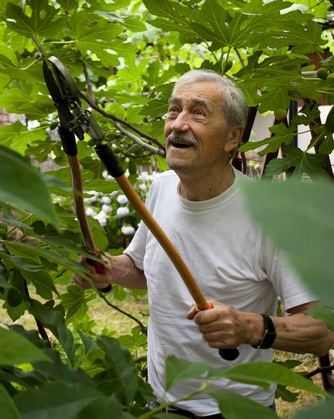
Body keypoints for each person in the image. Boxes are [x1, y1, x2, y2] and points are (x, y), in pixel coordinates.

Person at [74, 70, 334, 418]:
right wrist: (108, 268)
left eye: (198, 113)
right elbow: (141, 269)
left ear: (232, 137)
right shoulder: (161, 188)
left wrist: (249, 327)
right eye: (173, 110)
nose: (178, 124)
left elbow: (322, 331)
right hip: (161, 404)